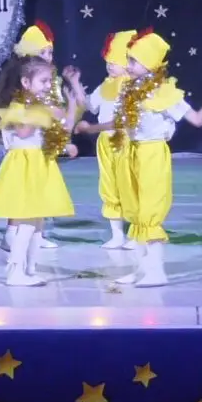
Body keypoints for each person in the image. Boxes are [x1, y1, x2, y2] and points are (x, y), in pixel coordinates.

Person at [111, 29, 202, 287]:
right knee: (136, 211)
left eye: (134, 60)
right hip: (132, 153)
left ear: (150, 64)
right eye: (128, 59)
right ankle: (140, 269)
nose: (129, 65)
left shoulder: (165, 94)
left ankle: (157, 271)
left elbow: (198, 119)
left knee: (151, 211)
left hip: (152, 154)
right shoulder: (131, 89)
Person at [0, 57, 82, 286]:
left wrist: (70, 107)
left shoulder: (40, 105)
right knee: (26, 221)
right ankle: (15, 271)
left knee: (38, 222)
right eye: (43, 81)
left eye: (50, 81)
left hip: (40, 162)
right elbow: (23, 132)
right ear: (26, 82)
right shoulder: (18, 106)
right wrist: (42, 110)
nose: (48, 86)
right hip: (24, 164)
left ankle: (30, 269)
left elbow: (64, 127)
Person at [74, 31, 139, 250]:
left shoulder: (134, 87)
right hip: (105, 142)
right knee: (109, 186)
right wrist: (76, 85)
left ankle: (137, 233)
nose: (110, 66)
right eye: (108, 61)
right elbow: (91, 106)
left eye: (116, 61)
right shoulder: (106, 86)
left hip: (125, 140)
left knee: (129, 185)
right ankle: (117, 235)